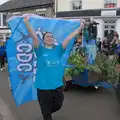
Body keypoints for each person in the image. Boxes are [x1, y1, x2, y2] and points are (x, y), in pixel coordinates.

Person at [24, 16, 84, 120]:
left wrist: (79, 28)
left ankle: (46, 109)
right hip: (43, 88)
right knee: (47, 115)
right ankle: (46, 111)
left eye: (51, 36)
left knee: (58, 105)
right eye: (47, 36)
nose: (50, 38)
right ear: (43, 40)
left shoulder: (58, 50)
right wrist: (27, 22)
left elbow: (69, 37)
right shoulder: (40, 50)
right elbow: (33, 36)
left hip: (57, 86)